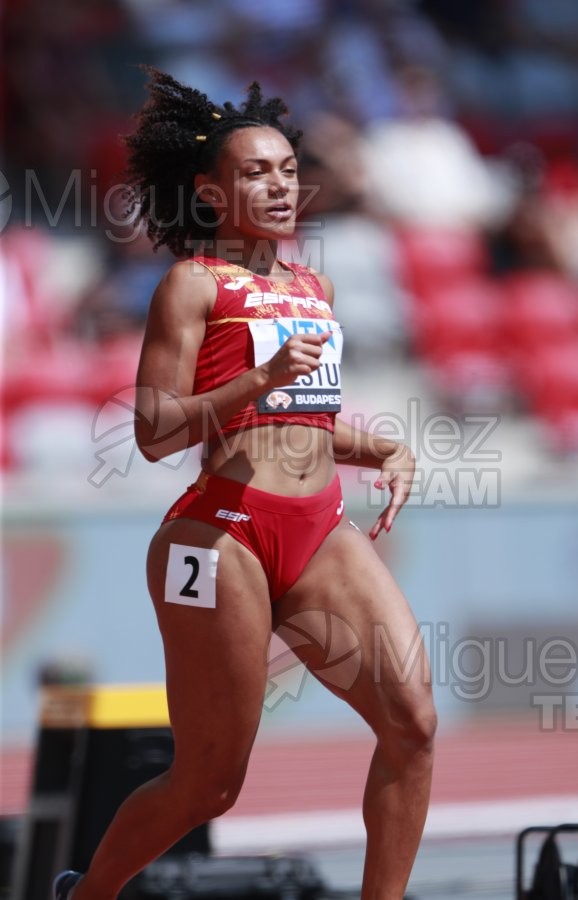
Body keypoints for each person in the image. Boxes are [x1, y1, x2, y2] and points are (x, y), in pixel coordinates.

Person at [54, 68, 436, 900]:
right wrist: (256, 379)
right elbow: (155, 431)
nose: (278, 186)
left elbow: (300, 421)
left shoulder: (315, 289)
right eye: (256, 173)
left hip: (318, 526)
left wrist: (380, 449)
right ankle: (85, 894)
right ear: (209, 190)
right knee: (209, 785)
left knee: (413, 726)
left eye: (289, 171)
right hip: (219, 533)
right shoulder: (192, 284)